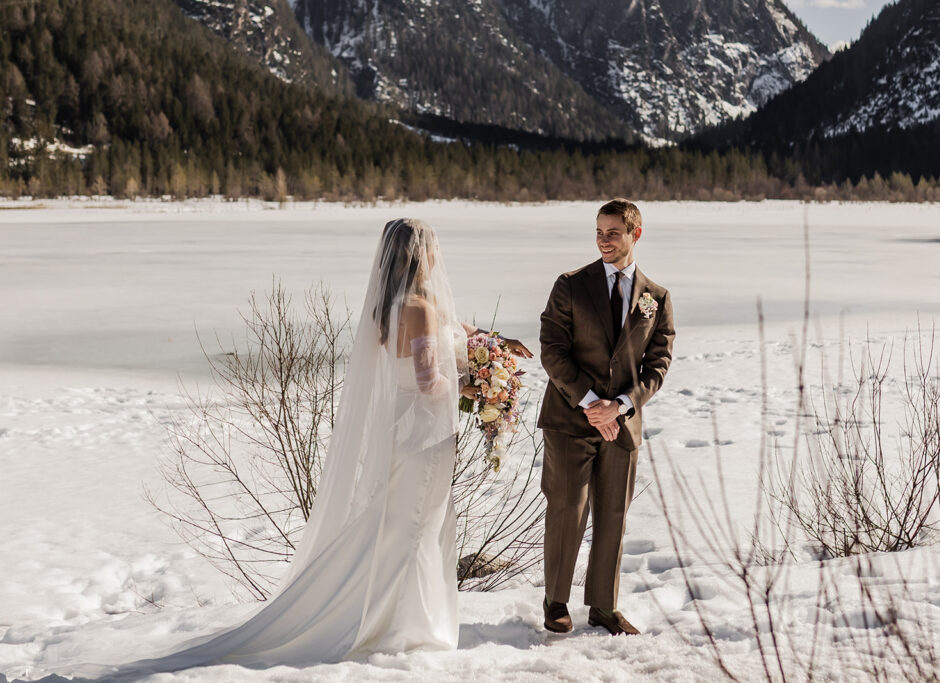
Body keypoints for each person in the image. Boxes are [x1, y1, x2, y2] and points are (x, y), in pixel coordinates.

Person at [56, 218, 530, 679]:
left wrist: (492, 352)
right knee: (413, 528)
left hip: (404, 435)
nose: (438, 255)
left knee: (399, 526)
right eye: (432, 246)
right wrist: (478, 386)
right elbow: (430, 382)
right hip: (423, 437)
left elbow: (461, 332)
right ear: (419, 254)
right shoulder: (421, 307)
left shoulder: (392, 306)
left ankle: (393, 615)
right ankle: (397, 625)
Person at [537, 199, 674, 636]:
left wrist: (620, 406)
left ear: (636, 233)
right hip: (570, 419)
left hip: (622, 426)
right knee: (567, 510)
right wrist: (592, 403)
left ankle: (603, 607)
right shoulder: (571, 285)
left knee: (613, 515)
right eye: (599, 232)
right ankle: (555, 602)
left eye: (613, 232)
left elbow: (657, 366)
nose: (603, 241)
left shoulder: (657, 298)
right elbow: (552, 351)